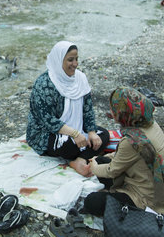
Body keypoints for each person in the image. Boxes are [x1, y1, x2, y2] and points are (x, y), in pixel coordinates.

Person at [79, 87, 164, 216]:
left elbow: (111, 170)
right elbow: (129, 156)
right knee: (101, 160)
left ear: (123, 114)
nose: (112, 113)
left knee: (92, 202)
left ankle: (131, 207)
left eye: (114, 110)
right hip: (157, 189)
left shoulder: (132, 141)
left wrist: (94, 167)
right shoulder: (151, 124)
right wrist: (100, 160)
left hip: (149, 201)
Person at [26, 41, 109, 176]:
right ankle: (78, 157)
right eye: (70, 60)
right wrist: (74, 134)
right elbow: (48, 120)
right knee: (69, 146)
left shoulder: (80, 78)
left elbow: (87, 109)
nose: (75, 64)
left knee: (103, 135)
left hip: (76, 129)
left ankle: (79, 160)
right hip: (47, 132)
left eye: (76, 59)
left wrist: (92, 132)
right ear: (59, 60)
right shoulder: (44, 84)